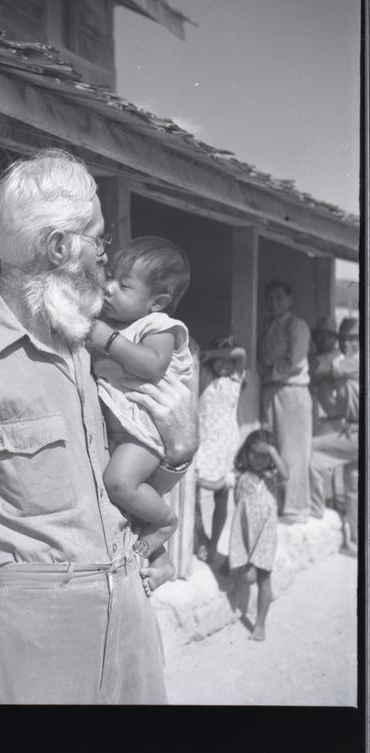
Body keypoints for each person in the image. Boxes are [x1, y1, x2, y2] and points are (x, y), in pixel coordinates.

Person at [0, 149, 198, 704]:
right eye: (98, 241)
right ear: (59, 248)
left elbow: (112, 494)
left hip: (129, 624)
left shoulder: (88, 352)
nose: (105, 256)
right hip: (31, 644)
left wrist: (178, 455)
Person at [88, 237, 193, 560]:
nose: (108, 288)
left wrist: (109, 340)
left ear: (157, 302)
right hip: (118, 430)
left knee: (119, 484)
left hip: (143, 434)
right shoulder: (111, 322)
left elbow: (152, 366)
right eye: (110, 278)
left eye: (124, 285)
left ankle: (164, 521)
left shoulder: (158, 326)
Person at [257, 280, 311, 523]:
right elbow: (259, 359)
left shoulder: (297, 326)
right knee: (272, 444)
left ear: (290, 300)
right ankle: (277, 502)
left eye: (279, 298)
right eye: (270, 298)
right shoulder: (267, 326)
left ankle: (295, 508)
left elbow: (295, 362)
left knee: (292, 450)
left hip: (292, 392)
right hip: (271, 390)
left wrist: (270, 372)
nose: (274, 303)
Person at [229, 430, 289, 642]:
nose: (258, 459)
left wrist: (272, 450)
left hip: (265, 535)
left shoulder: (272, 478)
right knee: (248, 577)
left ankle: (260, 624)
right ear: (246, 452)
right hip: (244, 534)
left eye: (265, 456)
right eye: (254, 453)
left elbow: (286, 475)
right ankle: (236, 571)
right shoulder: (240, 476)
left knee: (263, 579)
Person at [309, 317, 359, 552]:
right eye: (343, 339)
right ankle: (356, 542)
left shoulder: (355, 361)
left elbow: (318, 370)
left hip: (358, 432)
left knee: (310, 452)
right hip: (353, 427)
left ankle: (316, 510)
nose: (347, 344)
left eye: (353, 339)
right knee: (353, 487)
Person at [194, 335, 246, 563]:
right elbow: (206, 360)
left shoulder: (235, 378)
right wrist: (211, 358)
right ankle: (201, 538)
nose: (224, 366)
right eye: (219, 361)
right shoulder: (204, 376)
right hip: (204, 444)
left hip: (227, 445)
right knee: (193, 493)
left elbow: (241, 354)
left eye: (228, 361)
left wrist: (217, 355)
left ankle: (213, 543)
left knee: (221, 497)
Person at [308, 317, 341, 430]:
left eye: (329, 335)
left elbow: (312, 369)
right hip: (315, 416)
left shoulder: (338, 356)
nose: (324, 339)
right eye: (320, 335)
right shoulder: (311, 357)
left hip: (335, 418)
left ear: (336, 339)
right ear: (313, 337)